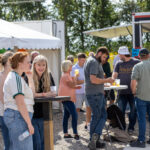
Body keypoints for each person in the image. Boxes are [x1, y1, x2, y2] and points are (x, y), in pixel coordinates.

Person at [3, 52, 35, 150]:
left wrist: (30, 78)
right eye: (28, 62)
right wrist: (29, 124)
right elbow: (20, 103)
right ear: (20, 64)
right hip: (18, 116)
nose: (30, 64)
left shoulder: (17, 78)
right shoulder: (15, 78)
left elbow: (32, 95)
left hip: (18, 116)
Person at [84, 47, 114, 150]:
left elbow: (93, 80)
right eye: (104, 56)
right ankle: (95, 137)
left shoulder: (93, 61)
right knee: (99, 116)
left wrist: (102, 87)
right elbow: (93, 80)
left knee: (98, 116)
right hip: (95, 94)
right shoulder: (94, 62)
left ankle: (94, 141)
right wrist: (106, 80)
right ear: (99, 53)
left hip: (96, 93)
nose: (105, 59)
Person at [112, 46, 140, 134]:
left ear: (123, 54)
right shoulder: (118, 63)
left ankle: (131, 127)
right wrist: (111, 80)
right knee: (121, 111)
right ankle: (122, 127)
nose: (119, 56)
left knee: (133, 111)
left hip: (134, 92)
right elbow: (114, 75)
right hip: (121, 92)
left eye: (120, 55)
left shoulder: (136, 62)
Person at [32, 55, 56, 150]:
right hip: (32, 113)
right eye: (39, 65)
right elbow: (30, 94)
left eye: (43, 65)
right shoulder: (28, 76)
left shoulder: (49, 75)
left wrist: (48, 94)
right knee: (36, 142)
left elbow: (54, 92)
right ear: (34, 65)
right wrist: (45, 94)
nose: (41, 67)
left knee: (44, 141)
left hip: (45, 113)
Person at [130, 48, 150, 148]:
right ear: (149, 55)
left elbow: (133, 82)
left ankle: (141, 141)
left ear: (139, 56)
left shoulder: (137, 66)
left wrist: (134, 92)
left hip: (141, 96)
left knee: (142, 120)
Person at [58, 60, 81, 140]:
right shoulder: (66, 75)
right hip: (67, 98)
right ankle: (75, 133)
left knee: (66, 116)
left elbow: (69, 86)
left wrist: (75, 87)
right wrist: (75, 76)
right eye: (71, 66)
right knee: (74, 115)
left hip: (66, 98)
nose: (72, 67)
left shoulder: (66, 75)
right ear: (68, 67)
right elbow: (71, 84)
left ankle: (66, 134)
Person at [71, 53, 91, 129]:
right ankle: (74, 124)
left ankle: (87, 124)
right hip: (78, 91)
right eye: (82, 60)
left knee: (88, 107)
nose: (84, 62)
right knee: (77, 108)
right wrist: (84, 81)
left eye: (84, 60)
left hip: (87, 90)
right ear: (78, 60)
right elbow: (74, 82)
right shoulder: (74, 68)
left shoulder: (86, 67)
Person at [0, 52, 13, 150]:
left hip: (15, 112)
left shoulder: (14, 76)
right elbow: (2, 97)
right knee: (8, 141)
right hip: (4, 112)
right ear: (6, 62)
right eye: (12, 61)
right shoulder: (0, 76)